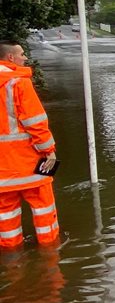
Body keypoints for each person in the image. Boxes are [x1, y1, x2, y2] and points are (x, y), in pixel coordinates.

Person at [0, 40, 60, 250]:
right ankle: (50, 251)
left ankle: (11, 253)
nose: (25, 58)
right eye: (22, 54)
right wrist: (49, 151)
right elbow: (35, 122)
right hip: (29, 162)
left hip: (2, 171)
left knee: (5, 214)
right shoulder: (18, 82)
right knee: (43, 207)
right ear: (10, 57)